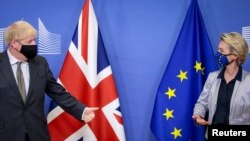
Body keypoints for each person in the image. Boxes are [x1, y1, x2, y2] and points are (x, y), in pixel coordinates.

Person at [0, 20, 98, 141]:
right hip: (6, 134)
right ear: (14, 43)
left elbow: (57, 92)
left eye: (34, 40)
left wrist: (81, 110)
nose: (34, 44)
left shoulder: (40, 63)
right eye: (29, 41)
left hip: (37, 133)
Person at [192, 32, 250, 135]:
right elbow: (202, 103)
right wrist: (198, 115)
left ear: (235, 55)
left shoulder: (248, 81)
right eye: (218, 49)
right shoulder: (212, 77)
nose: (217, 53)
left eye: (221, 50)